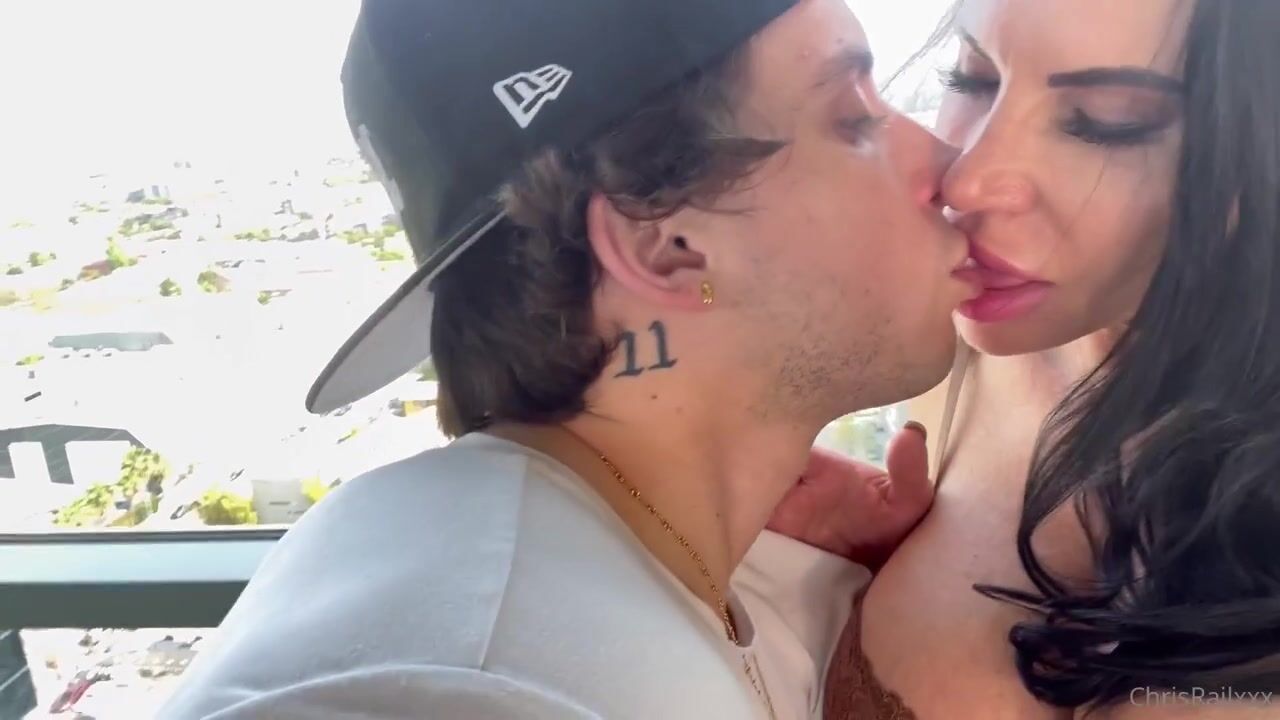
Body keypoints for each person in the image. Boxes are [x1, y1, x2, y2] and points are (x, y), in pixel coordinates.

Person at [160, 0, 980, 717]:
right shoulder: (461, 689)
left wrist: (837, 608)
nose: (948, 167)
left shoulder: (639, 566)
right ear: (665, 249)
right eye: (854, 118)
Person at [807, 0, 1280, 717]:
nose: (966, 181)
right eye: (973, 79)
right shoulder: (959, 345)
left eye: (1102, 121)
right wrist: (843, 586)